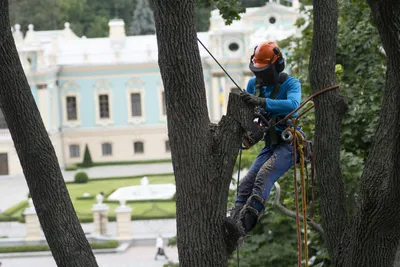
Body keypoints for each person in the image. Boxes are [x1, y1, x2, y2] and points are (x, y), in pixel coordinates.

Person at [230, 41, 302, 234]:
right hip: (270, 145)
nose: (259, 76)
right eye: (257, 71)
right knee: (246, 183)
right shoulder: (253, 85)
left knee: (264, 175)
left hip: (289, 145)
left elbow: (293, 104)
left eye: (264, 72)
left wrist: (262, 102)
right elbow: (250, 115)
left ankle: (248, 220)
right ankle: (233, 222)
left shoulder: (291, 84)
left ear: (277, 66)